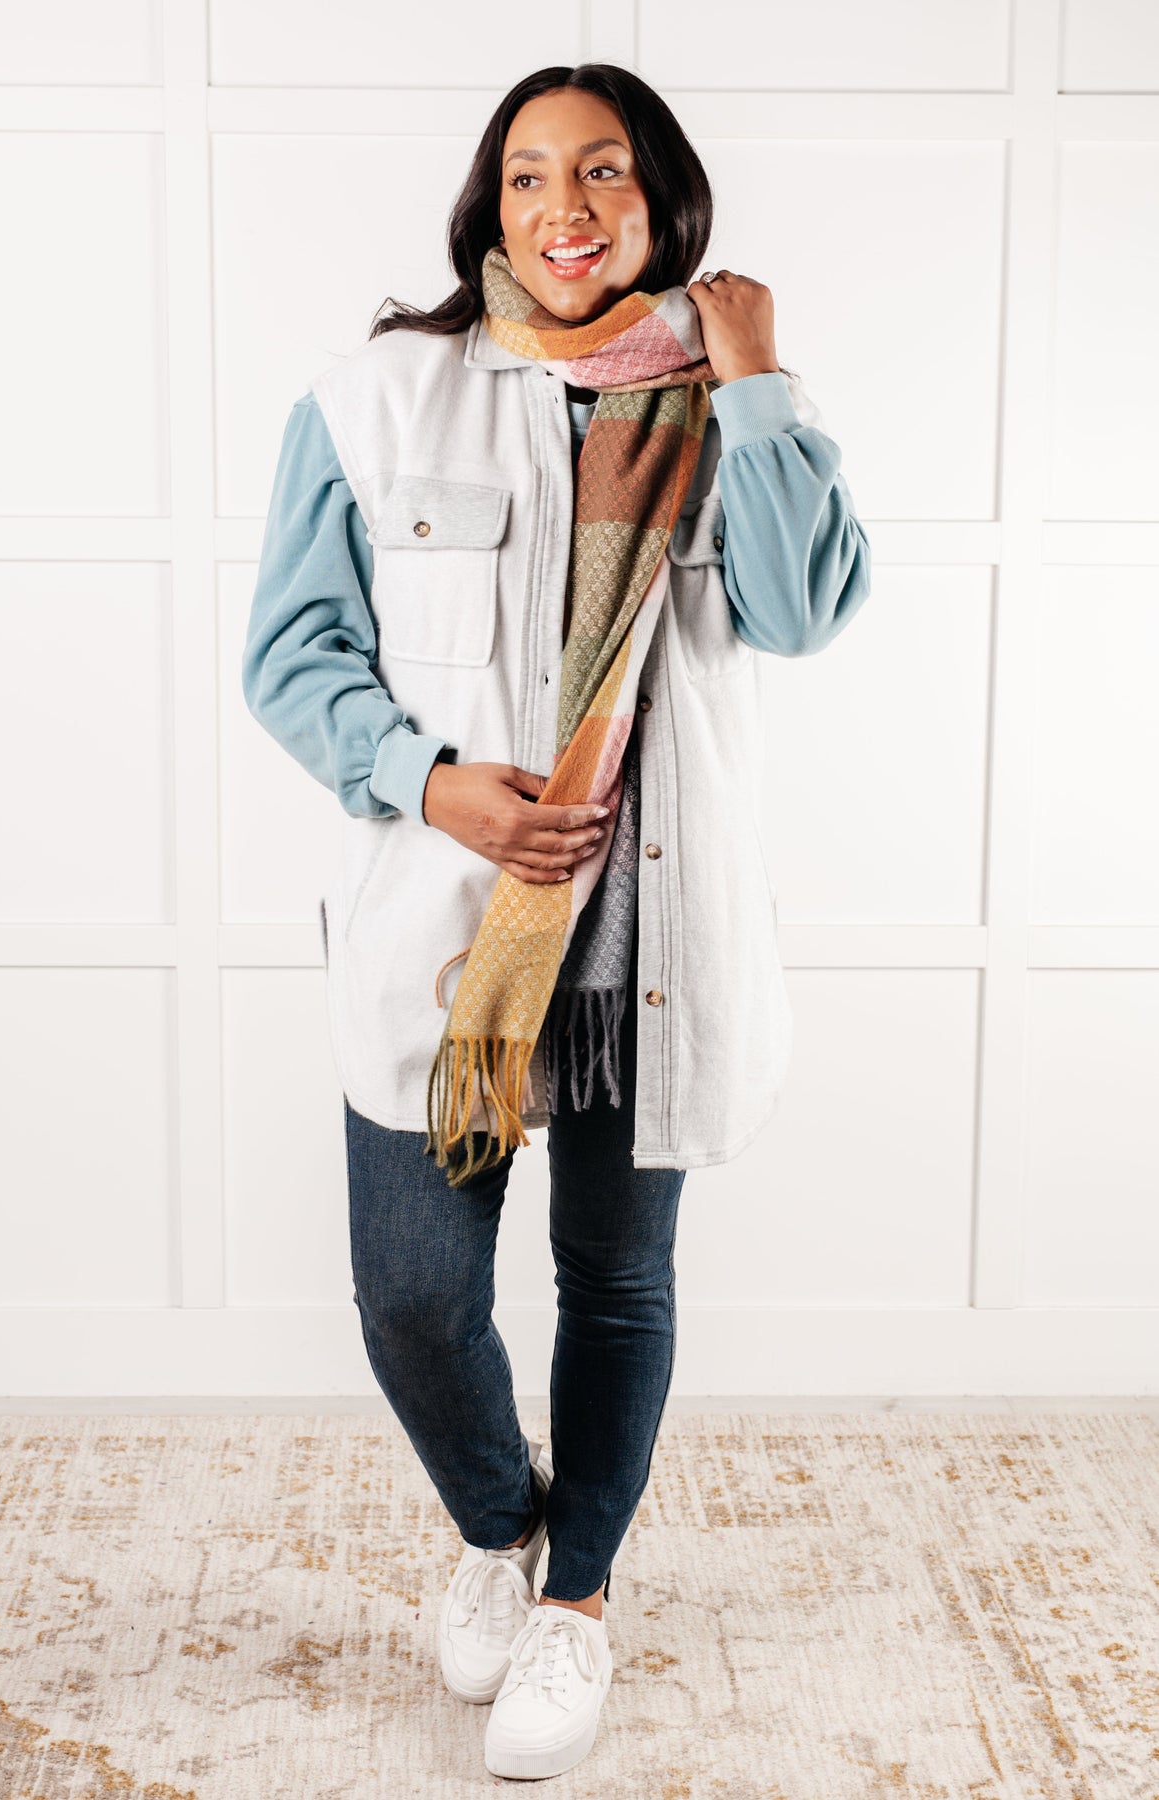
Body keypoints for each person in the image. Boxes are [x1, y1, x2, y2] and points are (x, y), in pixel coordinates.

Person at [243, 61, 871, 1784]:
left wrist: (756, 383)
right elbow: (294, 654)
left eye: (603, 173)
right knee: (409, 1296)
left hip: (647, 946)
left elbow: (801, 611)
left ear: (662, 199)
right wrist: (429, 782)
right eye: (529, 177)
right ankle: (497, 1528)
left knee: (615, 1281)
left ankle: (575, 1599)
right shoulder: (380, 398)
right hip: (451, 936)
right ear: (488, 206)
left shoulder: (733, 400)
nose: (565, 209)